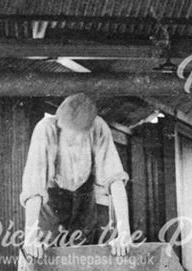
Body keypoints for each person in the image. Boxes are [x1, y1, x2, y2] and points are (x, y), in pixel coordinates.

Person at [20, 93, 132, 258]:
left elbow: (115, 180)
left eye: (76, 138)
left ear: (88, 130)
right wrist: (30, 237)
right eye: (67, 135)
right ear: (59, 123)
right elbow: (33, 186)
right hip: (51, 201)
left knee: (86, 257)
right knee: (46, 257)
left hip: (84, 198)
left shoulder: (99, 128)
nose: (71, 143)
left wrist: (124, 232)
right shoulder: (45, 129)